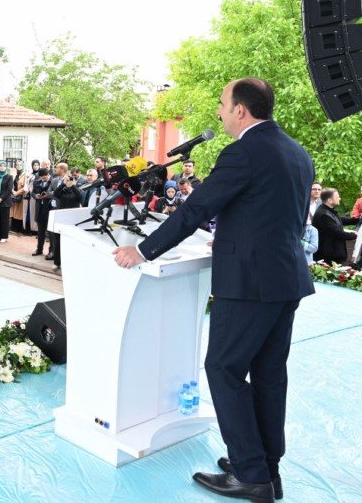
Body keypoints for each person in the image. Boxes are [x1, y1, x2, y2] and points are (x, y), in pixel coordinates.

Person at [113, 78, 312, 503]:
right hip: (285, 278)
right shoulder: (296, 152)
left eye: (223, 104)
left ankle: (249, 474)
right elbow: (278, 216)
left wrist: (143, 251)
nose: (219, 112)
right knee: (269, 376)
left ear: (241, 110)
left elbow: (197, 208)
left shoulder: (242, 151)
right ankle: (266, 468)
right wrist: (235, 236)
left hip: (249, 283)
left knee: (223, 369)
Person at [311, 188, 356, 264]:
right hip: (328, 257)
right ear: (330, 200)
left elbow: (339, 220)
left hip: (333, 255)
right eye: (337, 197)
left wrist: (356, 220)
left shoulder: (328, 211)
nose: (340, 198)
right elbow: (336, 233)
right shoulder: (324, 214)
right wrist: (354, 235)